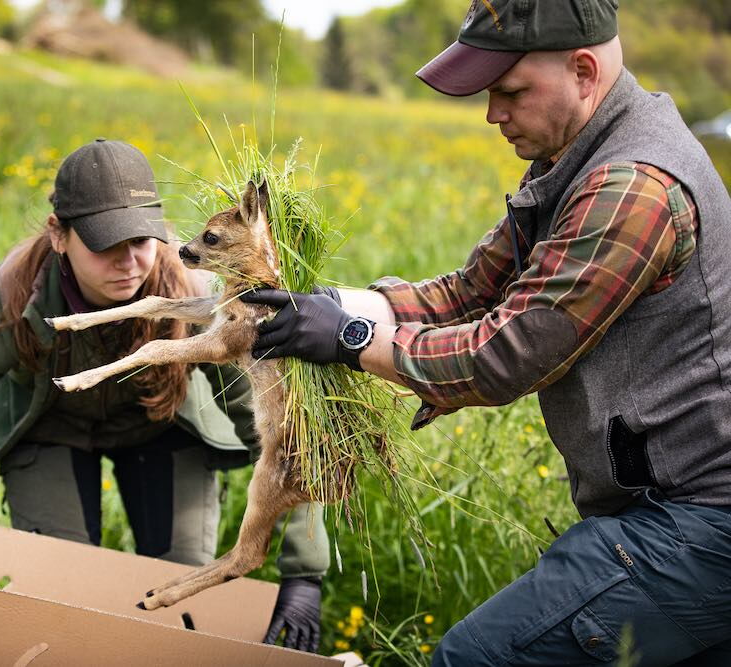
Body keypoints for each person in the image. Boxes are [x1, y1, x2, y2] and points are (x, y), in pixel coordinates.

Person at [241, 1, 731, 664]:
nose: (492, 114)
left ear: (584, 72)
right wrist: (330, 304)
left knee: (473, 657)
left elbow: (509, 353)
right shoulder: (576, 159)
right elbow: (470, 292)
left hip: (699, 523)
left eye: (509, 91)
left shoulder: (631, 186)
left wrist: (353, 337)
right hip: (665, 513)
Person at [0, 139, 329, 653]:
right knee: (61, 598)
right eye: (106, 244)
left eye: (141, 241)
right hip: (53, 434)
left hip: (163, 428)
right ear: (60, 236)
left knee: (178, 601)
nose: (129, 263)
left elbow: (288, 443)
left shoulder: (210, 291)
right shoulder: (18, 294)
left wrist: (304, 575)